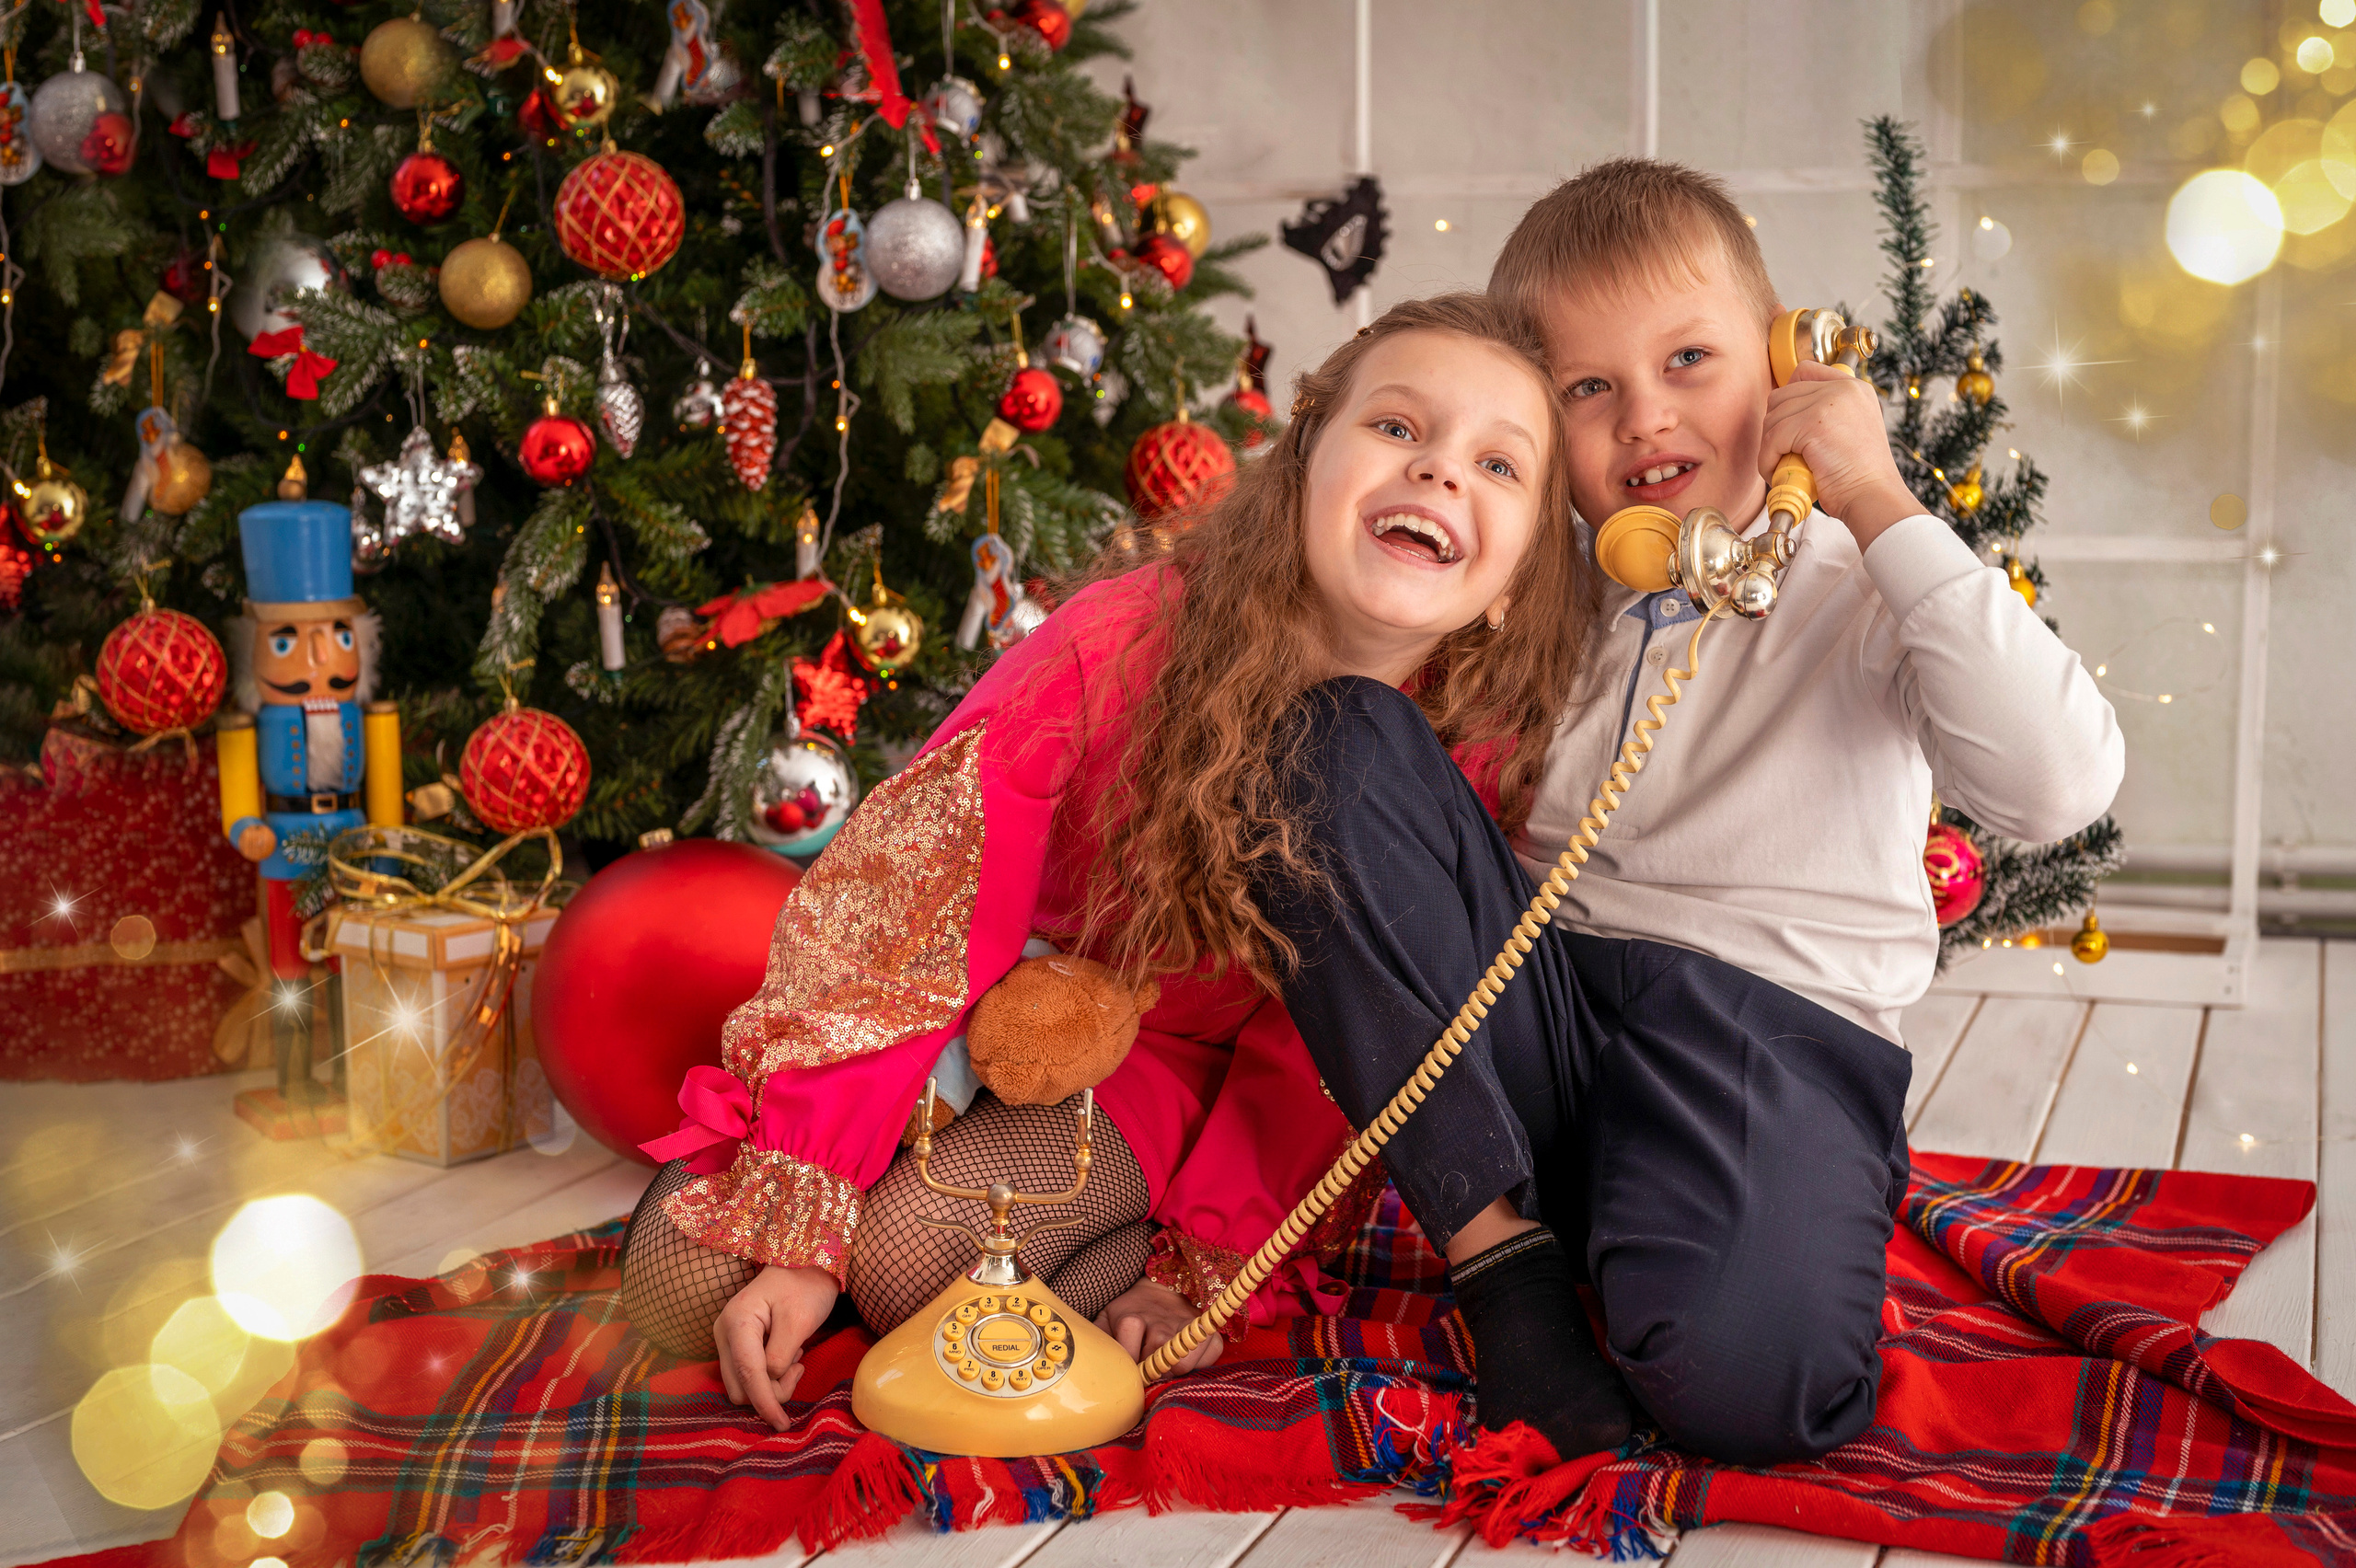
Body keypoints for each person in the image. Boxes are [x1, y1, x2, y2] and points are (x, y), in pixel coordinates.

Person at [1256, 159, 2124, 1467]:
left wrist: (1878, 499)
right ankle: (1512, 1271)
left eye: (1690, 362)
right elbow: (1378, 829)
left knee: (1749, 1396)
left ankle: (1726, 1220)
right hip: (1546, 1007)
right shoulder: (1550, 594)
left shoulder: (1868, 583)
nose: (1645, 417)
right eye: (1588, 389)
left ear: (1783, 369)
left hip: (1766, 1036)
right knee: (1325, 737)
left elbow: (2057, 789)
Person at [616, 293, 1602, 1434]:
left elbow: (1324, 1055)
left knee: (903, 1261)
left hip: (1170, 1066)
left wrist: (1205, 1256)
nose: (1438, 474)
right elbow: (915, 900)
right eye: (1397, 428)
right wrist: (809, 1203)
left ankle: (1092, 1244)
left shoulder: (1460, 760)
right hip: (959, 1006)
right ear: (1302, 462)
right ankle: (904, 1241)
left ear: (1524, 566)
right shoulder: (1119, 637)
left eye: (1496, 464)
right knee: (677, 1288)